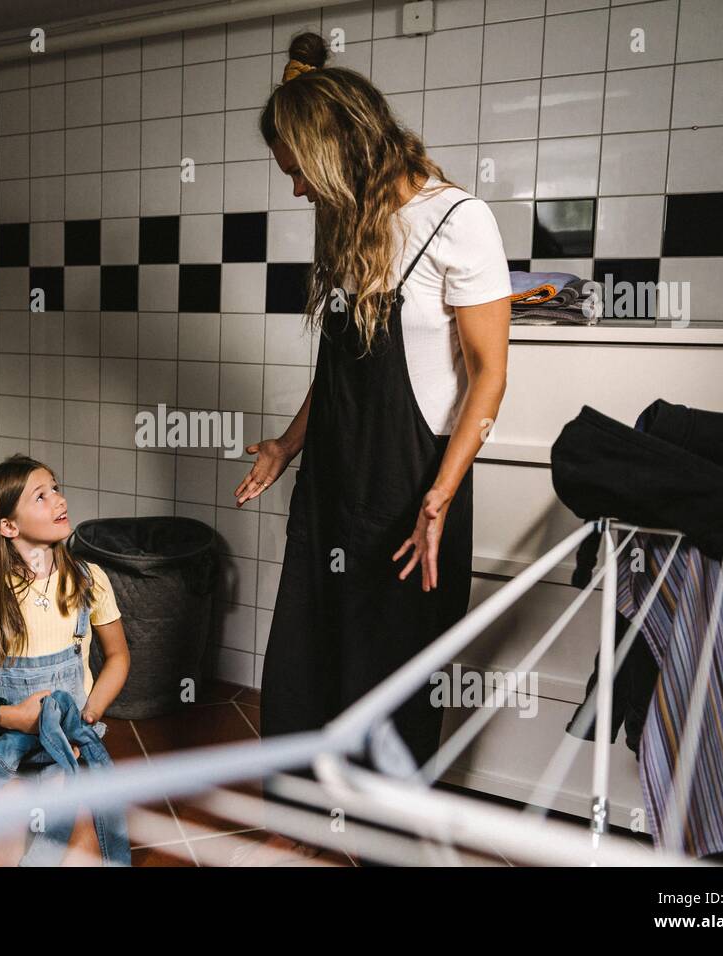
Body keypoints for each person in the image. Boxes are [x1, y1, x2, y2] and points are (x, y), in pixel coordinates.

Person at [233, 32, 512, 861]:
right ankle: (330, 826)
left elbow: (489, 378)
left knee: (390, 681)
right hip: (331, 492)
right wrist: (287, 446)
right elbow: (344, 370)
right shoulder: (349, 225)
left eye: (297, 168)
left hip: (407, 499)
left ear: (338, 149)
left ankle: (389, 842)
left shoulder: (458, 221)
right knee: (309, 664)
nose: (293, 187)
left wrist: (440, 497)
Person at [0, 454, 131, 865]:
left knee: (85, 823)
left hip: (68, 747)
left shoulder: (90, 582)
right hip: (3, 746)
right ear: (7, 526)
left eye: (55, 488)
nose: (59, 500)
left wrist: (91, 712)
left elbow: (119, 656)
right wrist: (7, 715)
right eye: (41, 496)